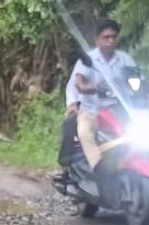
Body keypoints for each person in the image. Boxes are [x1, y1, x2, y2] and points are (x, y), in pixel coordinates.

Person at [54, 19, 136, 186]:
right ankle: (100, 170)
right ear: (97, 40)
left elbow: (136, 79)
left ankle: (134, 169)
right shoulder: (89, 60)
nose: (110, 40)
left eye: (114, 37)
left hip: (118, 110)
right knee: (84, 131)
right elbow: (79, 82)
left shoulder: (125, 60)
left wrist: (141, 89)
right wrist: (87, 89)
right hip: (91, 111)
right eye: (106, 37)